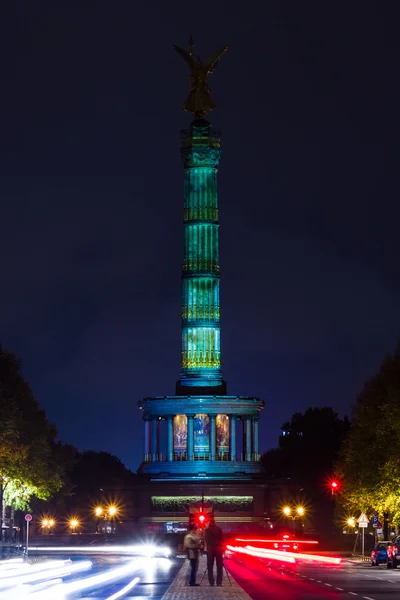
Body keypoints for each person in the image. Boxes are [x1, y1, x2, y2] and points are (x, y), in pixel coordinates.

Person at [205, 519, 224, 586]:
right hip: (218, 549)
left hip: (210, 550)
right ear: (215, 523)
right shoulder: (219, 529)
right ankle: (219, 582)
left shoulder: (207, 530)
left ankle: (211, 582)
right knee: (219, 566)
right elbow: (222, 539)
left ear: (210, 523)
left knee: (210, 566)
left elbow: (207, 540)